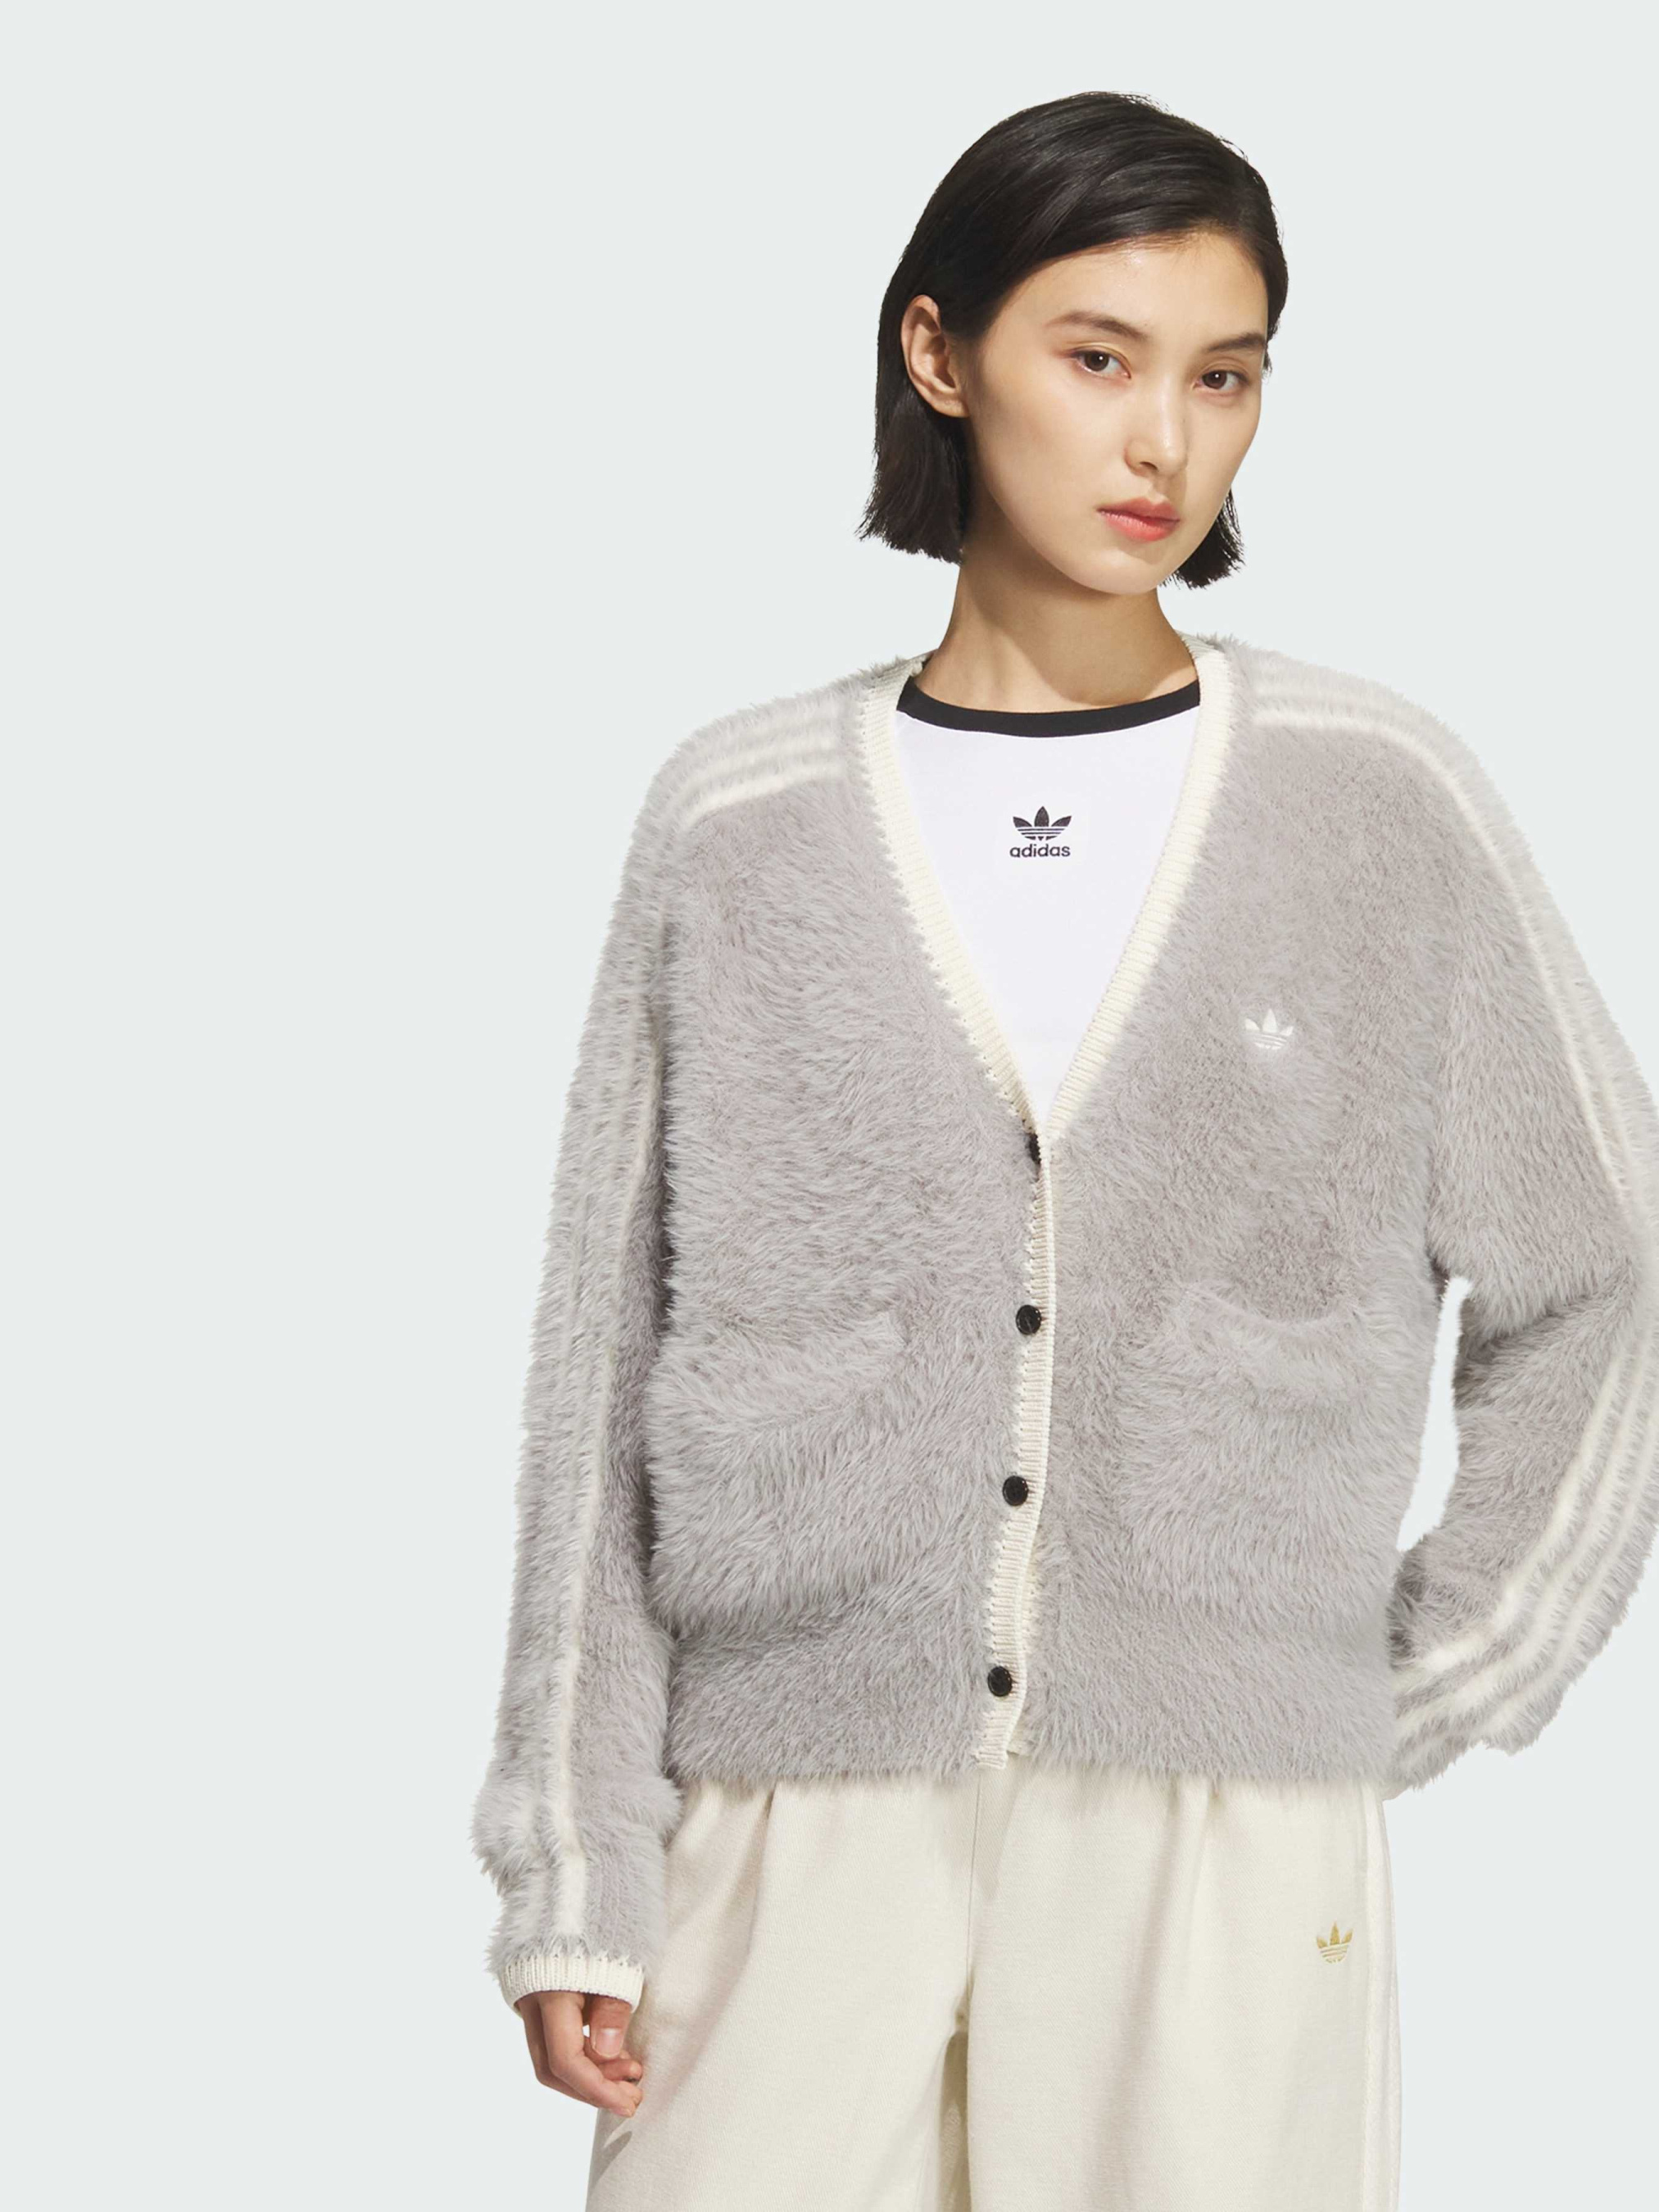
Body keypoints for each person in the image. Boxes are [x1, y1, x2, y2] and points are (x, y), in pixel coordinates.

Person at [471, 90, 1659, 2211]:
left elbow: (1606, 1261)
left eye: (1223, 377)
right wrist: (576, 1864)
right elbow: (606, 1361)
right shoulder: (739, 822)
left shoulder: (1375, 801)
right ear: (940, 355)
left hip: (1217, 1815)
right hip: (789, 1802)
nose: (1161, 444)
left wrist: (1448, 1663)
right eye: (1098, 358)